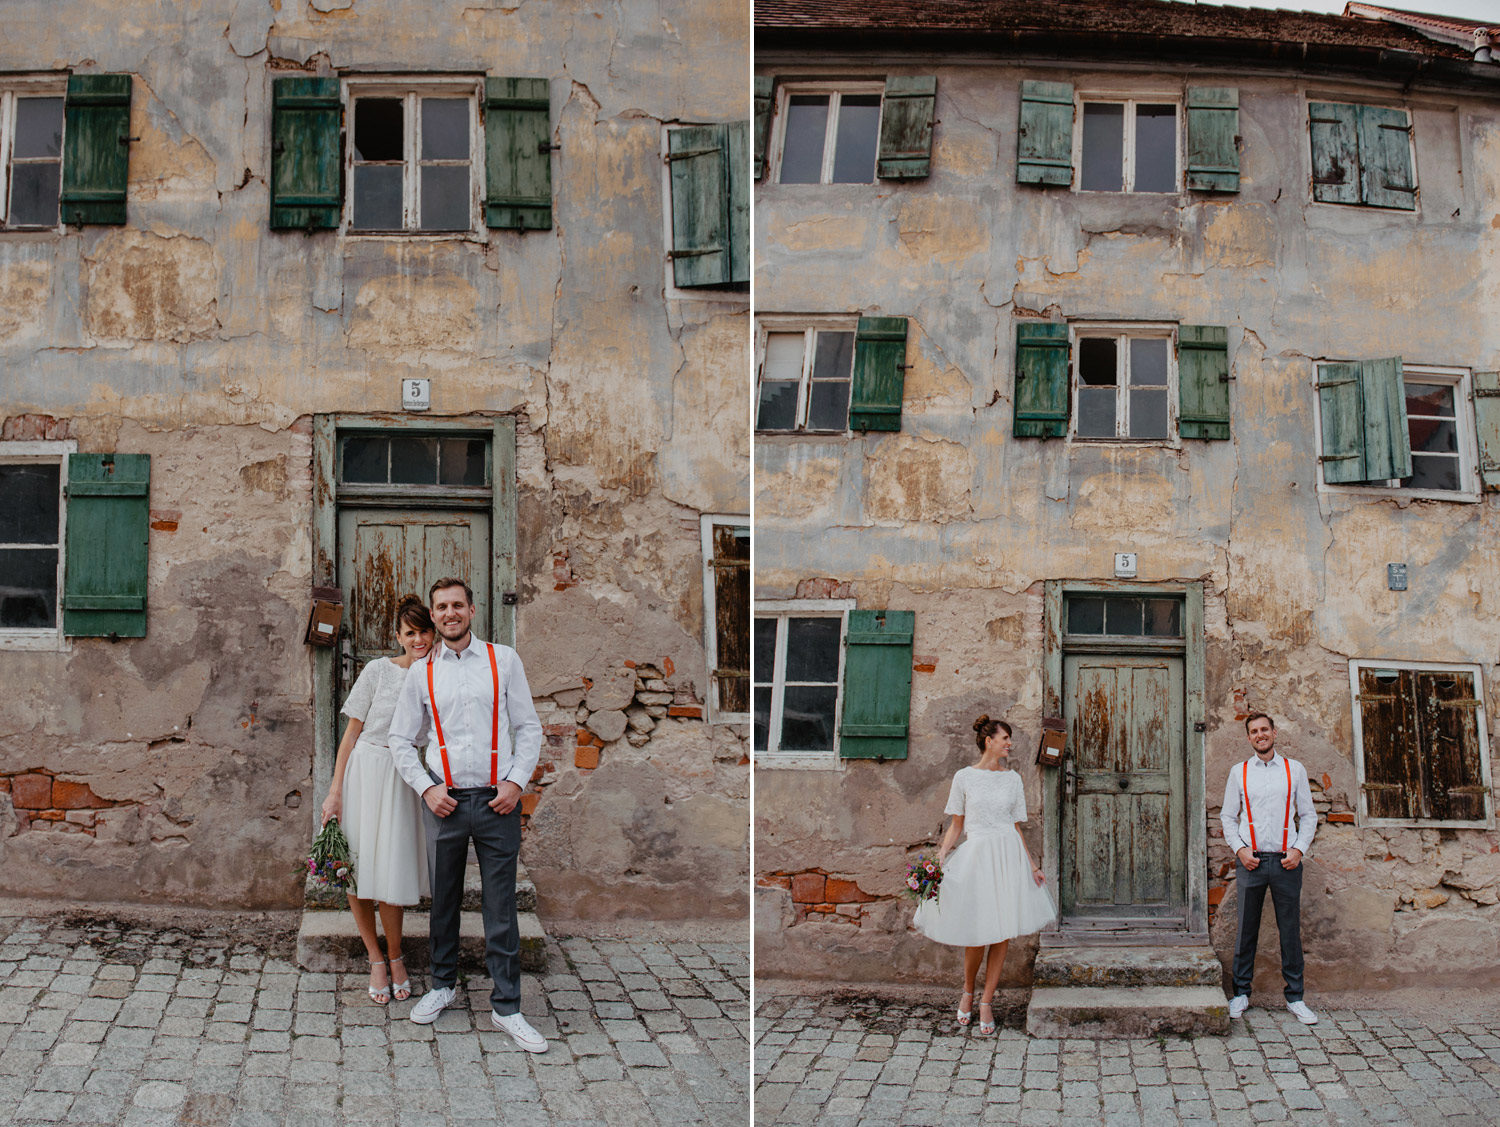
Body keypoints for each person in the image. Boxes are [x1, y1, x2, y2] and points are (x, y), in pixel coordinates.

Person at [386, 577, 546, 1052]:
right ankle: (442, 986)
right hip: (446, 802)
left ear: (472, 610)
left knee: (501, 908)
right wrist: (427, 788)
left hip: (498, 801)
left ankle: (508, 1008)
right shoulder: (421, 673)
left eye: (457, 605)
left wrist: (516, 782)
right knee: (445, 903)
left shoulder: (504, 660)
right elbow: (401, 739)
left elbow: (528, 726)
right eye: (441, 607)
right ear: (432, 617)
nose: (449, 613)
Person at [320, 595, 435, 1005]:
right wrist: (334, 793)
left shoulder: (439, 675)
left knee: (393, 868)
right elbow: (350, 734)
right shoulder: (377, 671)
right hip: (366, 772)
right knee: (360, 867)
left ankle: (397, 954)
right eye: (410, 632)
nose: (418, 639)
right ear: (397, 637)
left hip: (404, 777)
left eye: (424, 631)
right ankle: (375, 958)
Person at [915, 715, 1056, 1035]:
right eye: (1004, 738)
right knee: (977, 930)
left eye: (1010, 738)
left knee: (1001, 931)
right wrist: (938, 859)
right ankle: (967, 992)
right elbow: (957, 826)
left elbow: (1015, 826)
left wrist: (1032, 865)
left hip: (1007, 857)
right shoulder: (964, 777)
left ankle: (987, 1001)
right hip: (978, 857)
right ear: (988, 741)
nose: (1009, 743)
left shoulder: (1013, 780)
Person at [1220, 711, 1319, 1025]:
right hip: (1252, 861)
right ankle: (1240, 994)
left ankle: (1295, 997)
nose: (1260, 735)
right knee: (1246, 930)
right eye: (1254, 731)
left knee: (1289, 931)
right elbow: (1227, 817)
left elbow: (1309, 816)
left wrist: (1299, 850)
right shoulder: (1239, 772)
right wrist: (1240, 849)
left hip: (1286, 862)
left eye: (1264, 729)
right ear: (1249, 738)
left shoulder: (1295, 770)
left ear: (1274, 733)